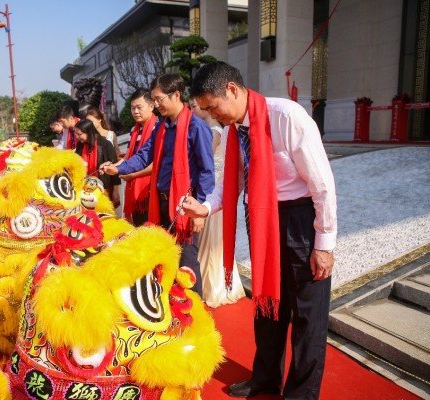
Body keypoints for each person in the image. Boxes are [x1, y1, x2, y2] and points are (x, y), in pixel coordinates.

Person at [181, 61, 337, 400]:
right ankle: (265, 379)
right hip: (262, 220)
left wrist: (324, 244)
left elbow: (322, 185)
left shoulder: (286, 117)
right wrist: (205, 207)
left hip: (298, 220)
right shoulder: (237, 128)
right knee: (268, 306)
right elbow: (232, 183)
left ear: (233, 90)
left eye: (212, 107)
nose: (212, 116)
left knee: (307, 315)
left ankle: (301, 393)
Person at [101, 73, 215, 296]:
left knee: (187, 262)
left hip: (185, 206)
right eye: (154, 100)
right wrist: (118, 168)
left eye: (158, 99)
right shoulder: (162, 127)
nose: (156, 104)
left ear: (176, 95)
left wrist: (199, 210)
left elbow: (206, 173)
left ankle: (194, 313)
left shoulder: (196, 127)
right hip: (161, 202)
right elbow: (144, 156)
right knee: (164, 257)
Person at [188, 97, 246, 307]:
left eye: (195, 106)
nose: (194, 110)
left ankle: (215, 286)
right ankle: (207, 282)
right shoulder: (208, 130)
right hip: (211, 192)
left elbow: (205, 159)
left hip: (214, 190)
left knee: (213, 243)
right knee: (207, 241)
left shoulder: (215, 131)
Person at [120, 88, 158, 226]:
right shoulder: (134, 130)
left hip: (149, 189)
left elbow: (156, 162)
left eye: (139, 107)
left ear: (151, 106)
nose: (135, 111)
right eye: (132, 108)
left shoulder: (158, 128)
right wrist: (113, 166)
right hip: (134, 186)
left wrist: (133, 175)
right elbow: (128, 157)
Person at [82, 105, 121, 208]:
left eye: (91, 121)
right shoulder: (86, 139)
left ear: (99, 119)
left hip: (109, 179)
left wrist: (116, 189)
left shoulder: (110, 135)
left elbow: (116, 159)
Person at [74, 119, 121, 196]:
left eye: (79, 134)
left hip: (104, 188)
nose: (77, 137)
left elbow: (114, 167)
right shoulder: (80, 145)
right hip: (86, 188)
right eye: (76, 134)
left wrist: (116, 191)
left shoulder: (105, 144)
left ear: (88, 133)